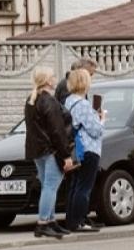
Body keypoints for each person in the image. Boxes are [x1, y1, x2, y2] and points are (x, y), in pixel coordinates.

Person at [23, 66, 77, 240]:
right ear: (47, 80)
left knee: (48, 185)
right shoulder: (49, 101)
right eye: (53, 76)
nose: (56, 79)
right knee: (51, 187)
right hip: (51, 150)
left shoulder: (32, 100)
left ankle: (51, 221)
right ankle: (43, 223)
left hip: (37, 150)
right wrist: (66, 155)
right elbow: (57, 131)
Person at [61, 68, 106, 234]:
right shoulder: (84, 105)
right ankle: (79, 221)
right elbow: (95, 130)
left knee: (74, 186)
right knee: (84, 187)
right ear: (85, 83)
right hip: (88, 149)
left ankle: (71, 221)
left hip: (75, 150)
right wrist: (101, 119)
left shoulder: (68, 102)